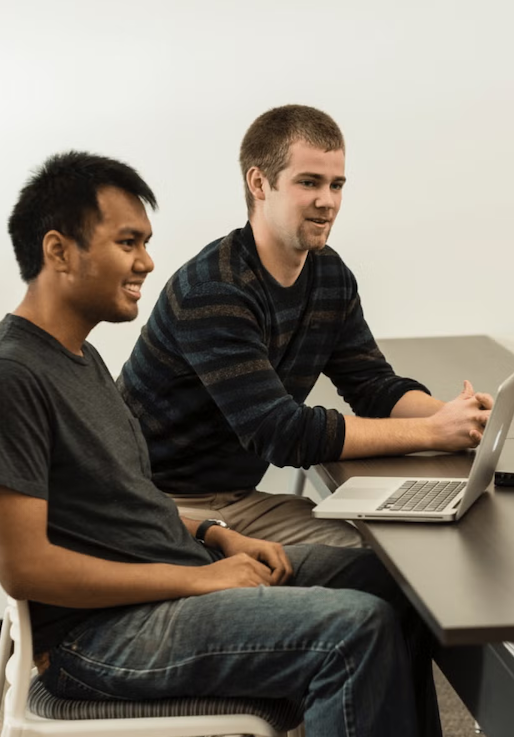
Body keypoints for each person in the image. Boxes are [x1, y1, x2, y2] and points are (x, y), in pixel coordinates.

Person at [0, 151, 442, 737]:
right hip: (99, 639)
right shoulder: (6, 377)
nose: (147, 262)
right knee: (353, 630)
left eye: (146, 242)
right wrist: (199, 581)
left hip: (171, 576)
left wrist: (214, 535)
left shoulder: (79, 357)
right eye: (128, 243)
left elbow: (121, 506)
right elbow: (26, 567)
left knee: (395, 579)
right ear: (58, 251)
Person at [118, 104, 491, 549]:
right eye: (309, 183)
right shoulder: (215, 289)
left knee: (391, 555)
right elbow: (280, 432)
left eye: (336, 185)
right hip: (159, 506)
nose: (327, 201)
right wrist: (432, 433)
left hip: (240, 501)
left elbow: (372, 384)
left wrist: (458, 419)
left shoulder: (329, 275)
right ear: (259, 183)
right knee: (379, 569)